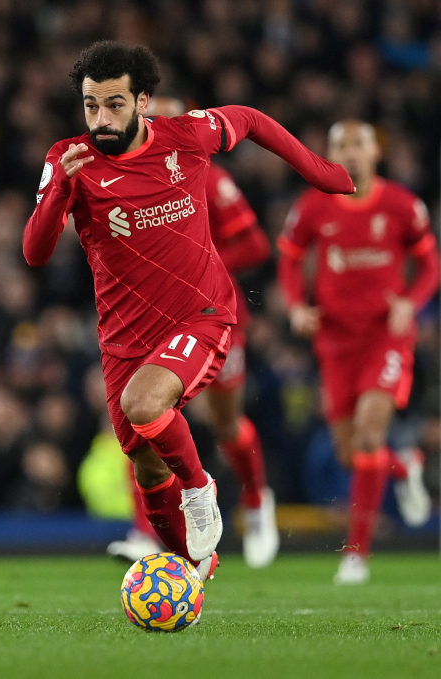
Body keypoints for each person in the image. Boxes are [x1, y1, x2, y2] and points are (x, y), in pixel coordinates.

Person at [23, 41, 353, 581]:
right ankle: (193, 571)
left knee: (146, 404)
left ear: (144, 102)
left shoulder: (186, 138)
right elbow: (34, 253)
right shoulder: (68, 160)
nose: (100, 119)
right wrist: (59, 189)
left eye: (114, 105)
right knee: (148, 471)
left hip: (201, 315)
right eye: (90, 106)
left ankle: (204, 490)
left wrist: (320, 170)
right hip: (124, 338)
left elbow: (248, 120)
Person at [108, 97, 279, 569]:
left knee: (226, 424)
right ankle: (147, 533)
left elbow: (256, 244)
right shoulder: (119, 178)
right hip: (149, 321)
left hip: (210, 313)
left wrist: (198, 265)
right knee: (141, 417)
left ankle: (255, 501)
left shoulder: (208, 175)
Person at [278, 120, 438, 585]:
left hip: (385, 336)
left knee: (369, 436)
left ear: (376, 153)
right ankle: (405, 463)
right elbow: (289, 257)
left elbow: (429, 262)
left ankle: (356, 553)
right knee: (352, 454)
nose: (350, 153)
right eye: (340, 146)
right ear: (328, 155)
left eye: (358, 145)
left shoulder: (402, 205)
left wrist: (412, 303)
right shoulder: (312, 206)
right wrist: (295, 307)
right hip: (334, 340)